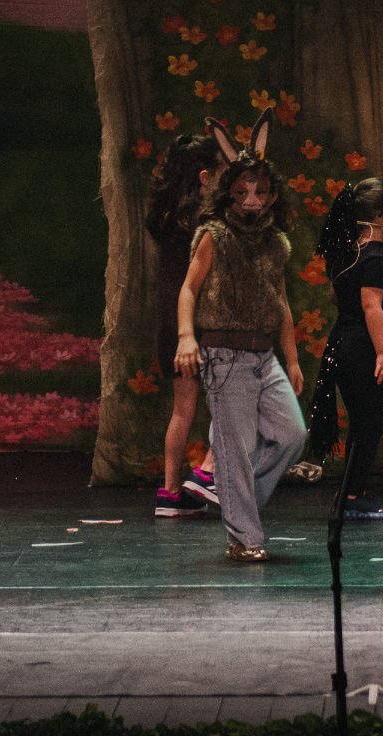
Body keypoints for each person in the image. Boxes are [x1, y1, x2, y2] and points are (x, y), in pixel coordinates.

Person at [175, 110, 308, 562]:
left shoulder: (276, 243)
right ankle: (245, 539)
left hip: (264, 356)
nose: (252, 199)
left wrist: (292, 359)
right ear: (229, 192)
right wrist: (186, 337)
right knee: (235, 448)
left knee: (291, 435)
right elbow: (189, 289)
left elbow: (281, 303)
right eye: (243, 191)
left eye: (260, 191)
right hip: (224, 355)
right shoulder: (213, 235)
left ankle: (234, 497)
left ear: (272, 195)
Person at [306, 178, 383, 520]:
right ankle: (352, 495)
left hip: (342, 344)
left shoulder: (345, 253)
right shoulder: (377, 259)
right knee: (370, 424)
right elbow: (370, 306)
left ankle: (351, 491)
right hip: (363, 351)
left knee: (361, 422)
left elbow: (342, 297)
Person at [146, 133, 224, 518]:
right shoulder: (204, 221)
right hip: (197, 325)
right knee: (231, 405)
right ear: (205, 176)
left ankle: (171, 492)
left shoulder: (166, 214)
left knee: (183, 409)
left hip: (170, 325)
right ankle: (207, 474)